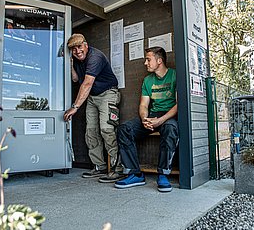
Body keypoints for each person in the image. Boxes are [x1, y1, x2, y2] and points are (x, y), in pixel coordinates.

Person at [114, 47, 178, 192]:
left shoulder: (175, 75)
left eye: (148, 59)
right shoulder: (147, 80)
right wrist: (144, 119)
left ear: (159, 61)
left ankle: (163, 174)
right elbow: (143, 105)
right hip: (152, 115)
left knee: (170, 128)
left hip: (168, 116)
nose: (145, 62)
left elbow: (178, 105)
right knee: (124, 129)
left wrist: (160, 120)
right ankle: (135, 173)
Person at [63, 33, 125, 183]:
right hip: (92, 97)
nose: (77, 51)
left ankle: (119, 169)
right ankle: (100, 166)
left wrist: (75, 107)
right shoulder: (77, 60)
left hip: (108, 94)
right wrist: (71, 65)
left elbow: (87, 83)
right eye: (73, 49)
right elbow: (76, 79)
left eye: (79, 47)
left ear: (86, 45)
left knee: (107, 129)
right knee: (91, 132)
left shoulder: (95, 57)